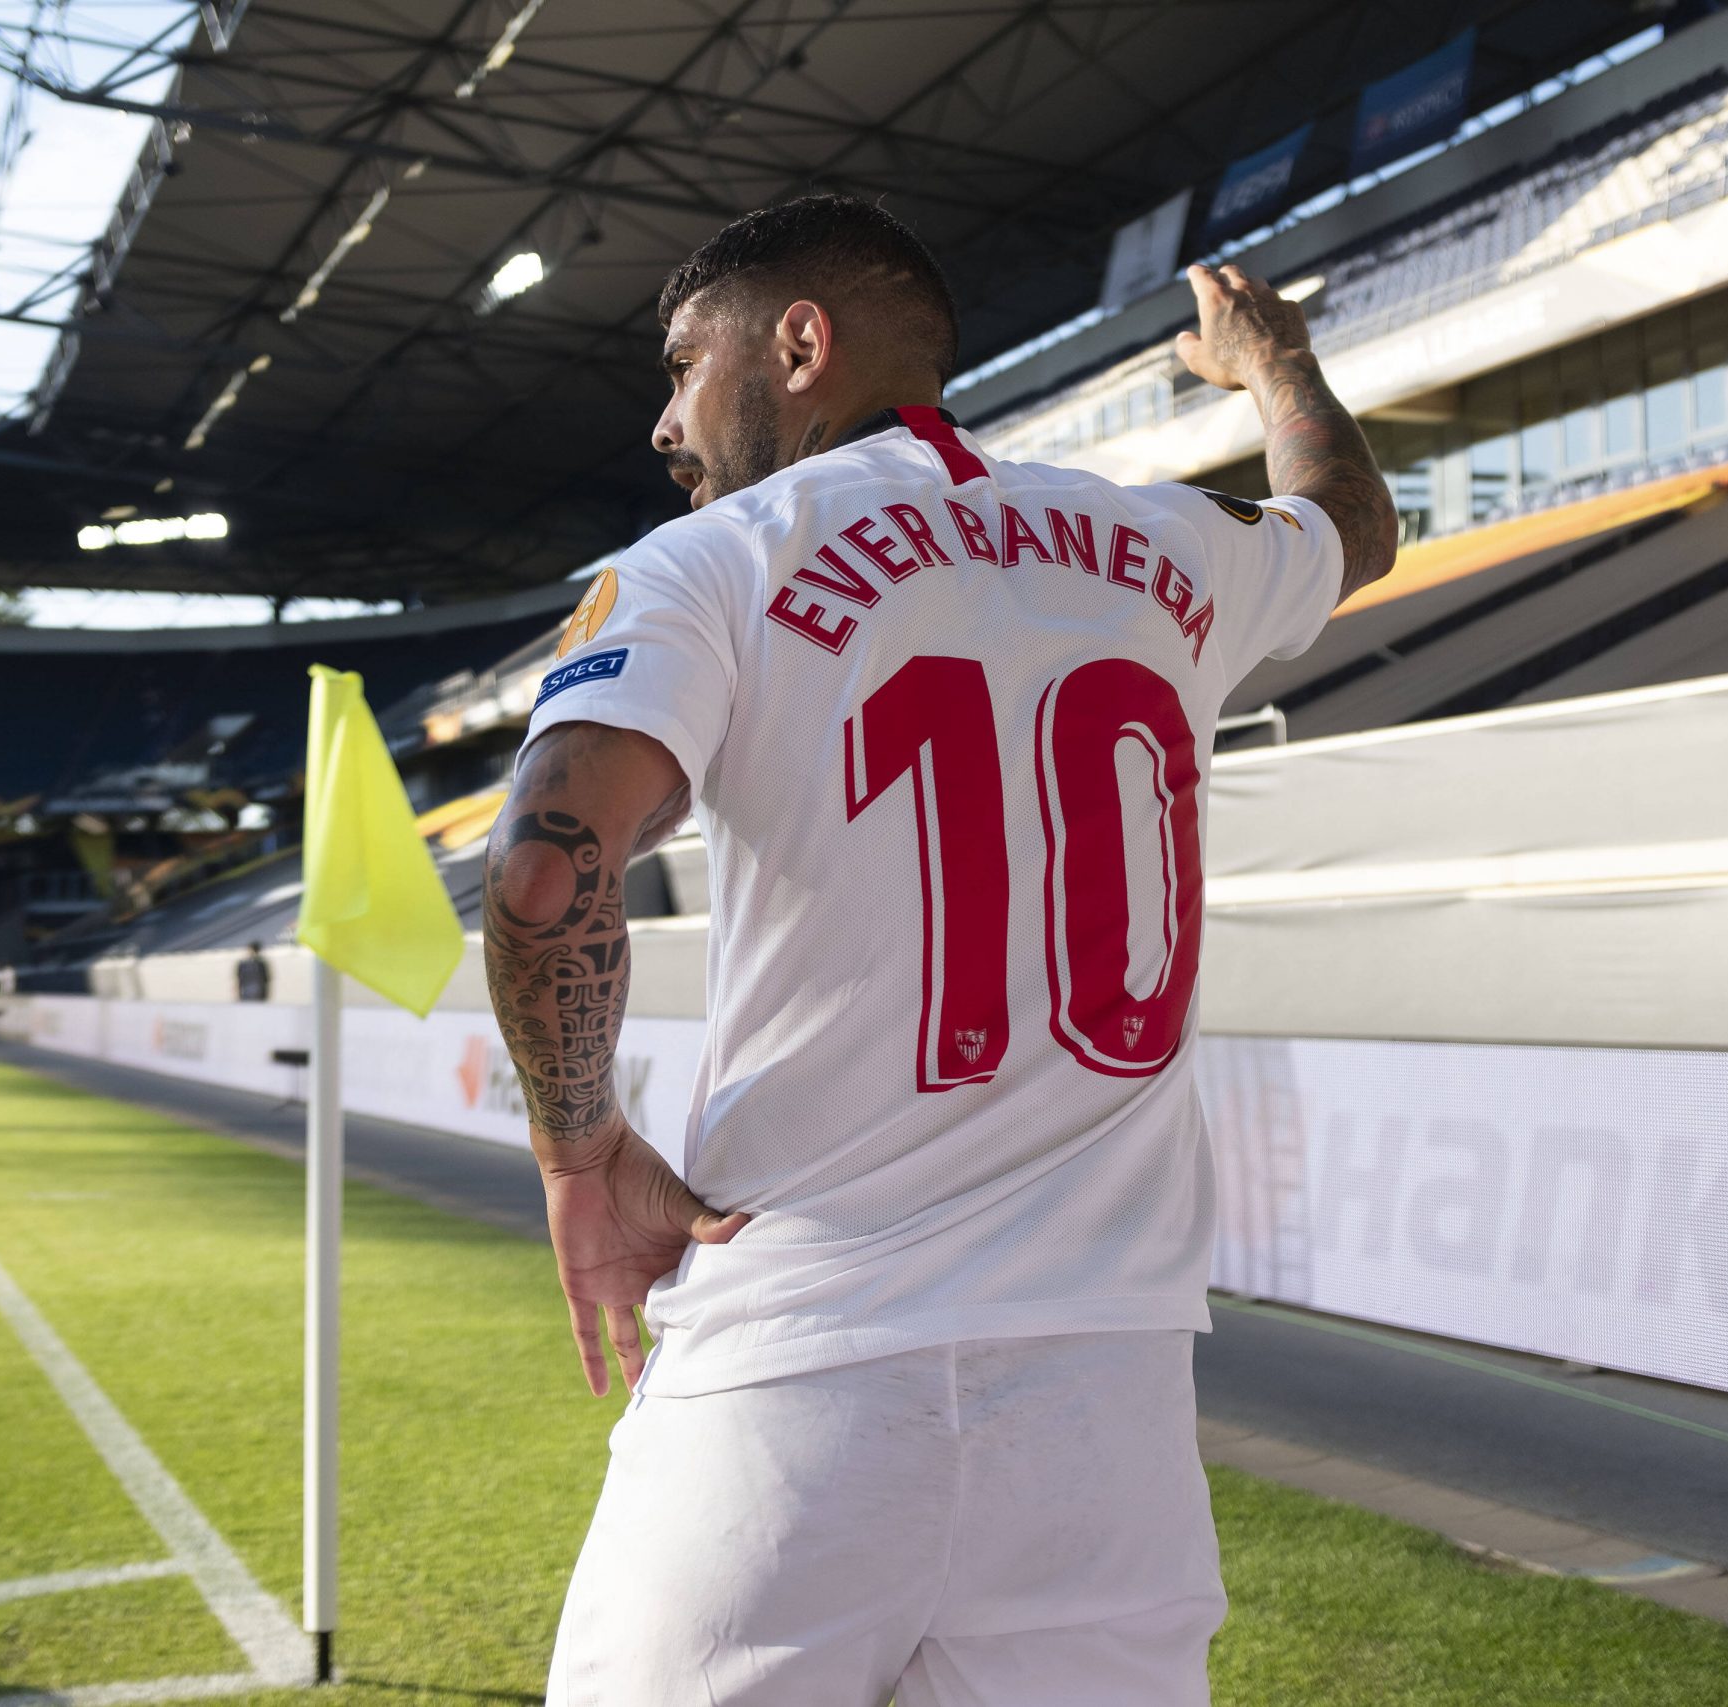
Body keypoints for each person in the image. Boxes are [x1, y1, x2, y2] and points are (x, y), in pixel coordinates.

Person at [481, 196, 1394, 1706]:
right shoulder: (1166, 538)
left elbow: (542, 863)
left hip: (800, 1369)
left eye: (682, 364)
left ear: (799, 344)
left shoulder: (714, 556)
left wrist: (580, 1151)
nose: (665, 420)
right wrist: (1276, 362)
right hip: (1109, 1414)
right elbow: (1351, 522)